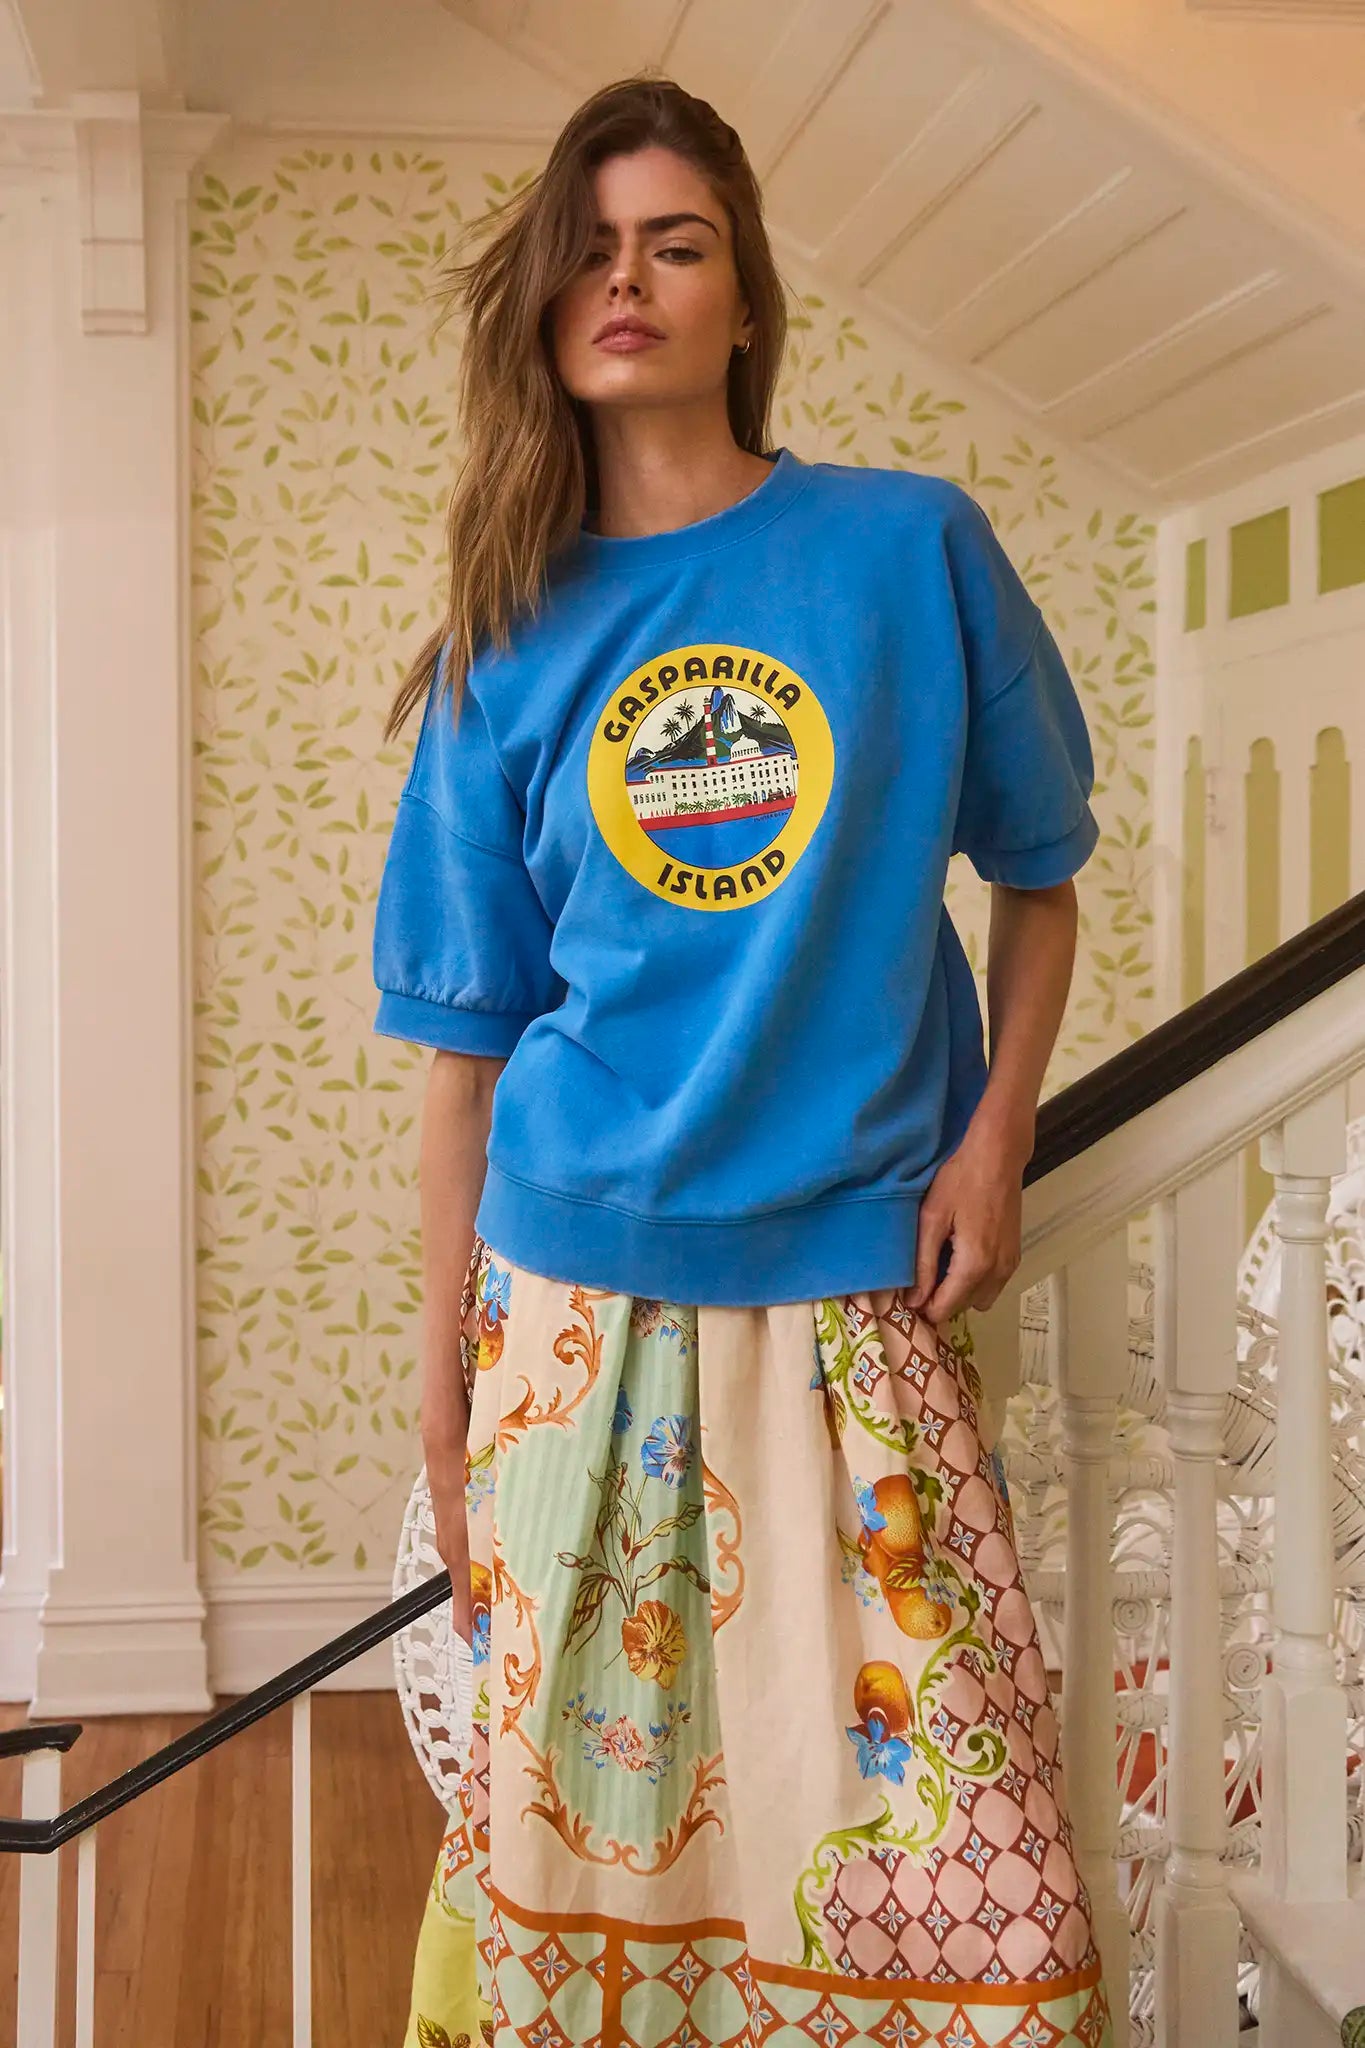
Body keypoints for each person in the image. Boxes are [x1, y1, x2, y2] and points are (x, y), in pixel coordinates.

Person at [374, 72, 1112, 2048]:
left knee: (947, 1856)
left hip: (850, 1296)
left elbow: (1038, 877)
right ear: (545, 298)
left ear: (744, 299)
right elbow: (460, 1063)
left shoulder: (903, 553)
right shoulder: (501, 637)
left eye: (674, 242)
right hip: (568, 1308)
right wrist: (441, 1408)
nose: (628, 278)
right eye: (591, 246)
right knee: (589, 1846)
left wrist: (991, 1142)